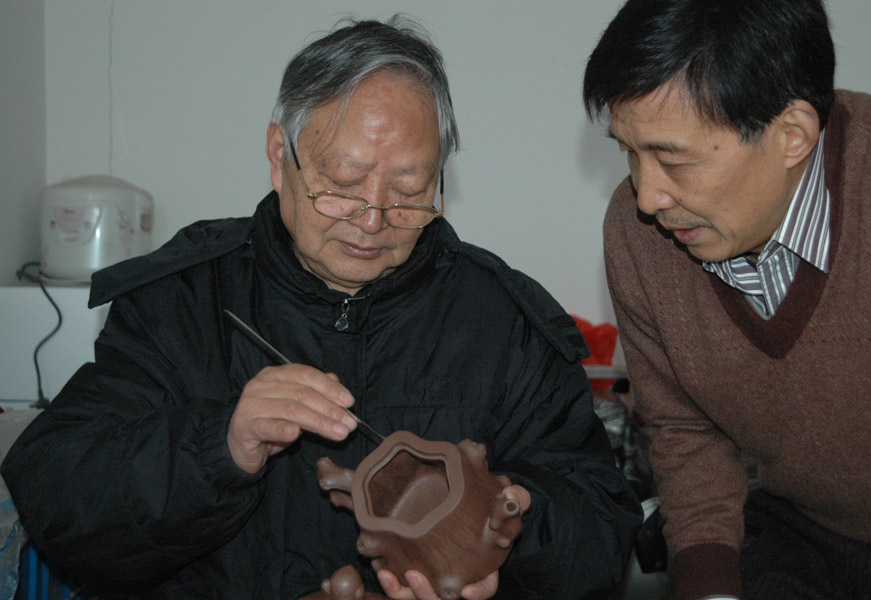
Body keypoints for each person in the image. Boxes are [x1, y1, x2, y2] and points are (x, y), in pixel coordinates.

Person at [2, 16, 642, 600]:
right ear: (279, 156)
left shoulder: (502, 322)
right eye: (342, 185)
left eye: (409, 190)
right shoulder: (183, 300)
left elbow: (602, 536)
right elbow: (57, 500)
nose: (373, 220)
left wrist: (505, 525)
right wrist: (220, 446)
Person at [581, 0, 871, 598]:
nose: (647, 196)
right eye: (629, 151)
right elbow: (685, 432)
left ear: (792, 135)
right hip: (804, 530)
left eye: (672, 158)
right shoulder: (638, 233)